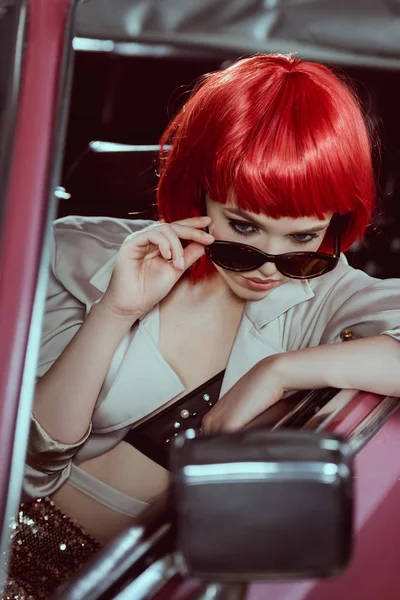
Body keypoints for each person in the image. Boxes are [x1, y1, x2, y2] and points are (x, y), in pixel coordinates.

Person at [4, 53, 400, 599]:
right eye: (243, 226)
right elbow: (27, 468)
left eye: (303, 239)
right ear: (200, 187)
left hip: (146, 584)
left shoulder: (334, 294)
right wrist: (114, 312)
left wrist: (279, 370)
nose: (268, 262)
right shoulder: (76, 248)